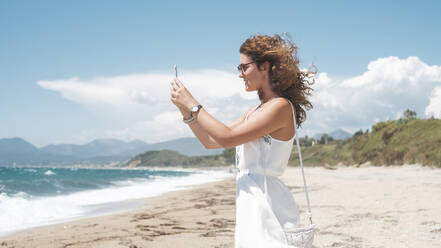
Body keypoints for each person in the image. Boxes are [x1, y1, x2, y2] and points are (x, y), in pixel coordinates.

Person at [170, 34, 315, 248]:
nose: (240, 75)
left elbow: (227, 137)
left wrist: (193, 104)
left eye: (244, 67)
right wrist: (185, 112)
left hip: (266, 202)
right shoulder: (255, 111)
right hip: (251, 200)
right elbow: (212, 141)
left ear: (265, 67)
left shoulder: (281, 107)